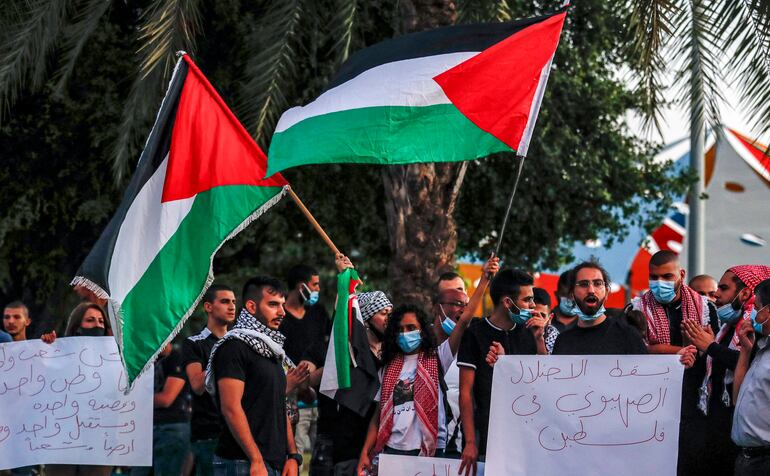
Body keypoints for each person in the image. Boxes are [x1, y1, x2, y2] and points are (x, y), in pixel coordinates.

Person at [630, 250, 716, 476]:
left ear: (682, 274)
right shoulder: (637, 308)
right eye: (654, 277)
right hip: (651, 406)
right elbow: (636, 351)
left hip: (694, 404)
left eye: (667, 277)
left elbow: (712, 348)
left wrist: (697, 349)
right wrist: (681, 351)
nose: (660, 284)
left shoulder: (705, 308)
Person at [680, 265, 770, 476]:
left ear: (745, 293)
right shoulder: (728, 329)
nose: (716, 295)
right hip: (732, 444)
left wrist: (711, 347)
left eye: (723, 288)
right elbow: (739, 386)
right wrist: (699, 352)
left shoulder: (757, 335)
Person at [206, 276, 300, 476]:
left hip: (273, 462)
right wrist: (256, 460)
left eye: (282, 305)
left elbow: (278, 404)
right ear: (251, 306)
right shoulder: (234, 347)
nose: (281, 312)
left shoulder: (272, 350)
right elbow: (231, 408)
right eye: (273, 305)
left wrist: (293, 456)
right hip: (242, 463)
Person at [457, 269, 547, 475]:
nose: (533, 306)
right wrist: (471, 441)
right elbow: (465, 393)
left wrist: (539, 340)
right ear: (508, 302)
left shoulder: (529, 332)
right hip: (488, 438)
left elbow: (544, 384)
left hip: (526, 437)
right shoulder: (476, 334)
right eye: (528, 300)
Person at [306, 264, 393, 476]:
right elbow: (309, 382)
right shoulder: (341, 349)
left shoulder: (392, 353)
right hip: (341, 448)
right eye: (383, 313)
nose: (389, 318)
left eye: (391, 312)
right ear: (366, 318)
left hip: (375, 446)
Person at [357, 305, 454, 475]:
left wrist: (484, 281)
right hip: (394, 450)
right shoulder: (387, 369)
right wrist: (365, 452)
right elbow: (378, 416)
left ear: (423, 331)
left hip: (431, 450)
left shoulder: (438, 358)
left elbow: (464, 322)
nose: (405, 334)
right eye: (400, 329)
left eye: (411, 328)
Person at [433, 256, 499, 458]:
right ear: (438, 305)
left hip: (462, 445)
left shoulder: (477, 339)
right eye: (453, 301)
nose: (460, 309)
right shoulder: (423, 344)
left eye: (464, 301)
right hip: (425, 442)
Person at [38, 303, 113, 476]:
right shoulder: (59, 353)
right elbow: (40, 384)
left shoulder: (115, 359)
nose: (97, 325)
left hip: (100, 441)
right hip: (62, 440)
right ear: (77, 326)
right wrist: (45, 349)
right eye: (90, 320)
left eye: (101, 321)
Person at [182, 284, 236, 476]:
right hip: (209, 434)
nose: (231, 306)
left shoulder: (238, 343)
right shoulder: (194, 343)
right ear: (208, 307)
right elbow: (197, 385)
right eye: (224, 301)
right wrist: (222, 355)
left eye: (233, 302)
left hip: (238, 431)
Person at [279, 265, 330, 457]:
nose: (318, 290)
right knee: (294, 456)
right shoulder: (279, 317)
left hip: (319, 398)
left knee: (320, 458)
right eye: (315, 285)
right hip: (291, 399)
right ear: (302, 287)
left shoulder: (318, 312)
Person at [552, 261, 651, 356]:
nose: (591, 290)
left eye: (598, 283)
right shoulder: (563, 342)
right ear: (572, 294)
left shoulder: (628, 336)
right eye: (583, 284)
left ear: (607, 292)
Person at [131, 342, 192, 476]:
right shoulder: (145, 360)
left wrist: (132, 401)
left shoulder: (177, 357)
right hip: (146, 428)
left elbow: (166, 399)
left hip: (170, 426)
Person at [731, 278, 770, 475]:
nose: (753, 313)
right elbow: (737, 399)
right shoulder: (762, 349)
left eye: (757, 307)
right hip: (747, 460)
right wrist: (746, 351)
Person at [533, 287, 559, 354]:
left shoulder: (552, 334)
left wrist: (539, 339)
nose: (537, 319)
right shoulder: (517, 327)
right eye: (533, 314)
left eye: (542, 315)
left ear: (550, 318)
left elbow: (546, 363)